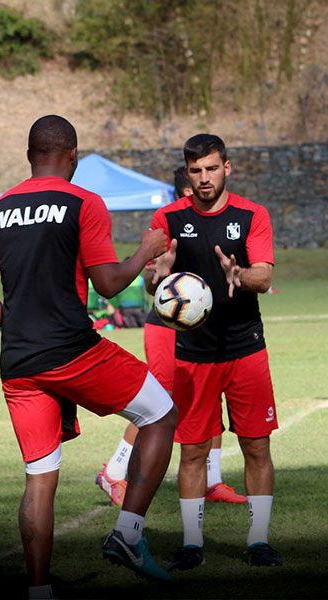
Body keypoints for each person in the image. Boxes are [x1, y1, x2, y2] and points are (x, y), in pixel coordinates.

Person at [0, 115, 178, 596]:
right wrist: (146, 249)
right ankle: (127, 536)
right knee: (162, 415)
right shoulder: (82, 201)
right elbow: (106, 284)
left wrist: (20, 327)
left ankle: (39, 592)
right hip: (74, 351)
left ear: (29, 157)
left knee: (40, 476)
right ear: (73, 157)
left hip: (19, 363)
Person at [146, 133, 281, 571]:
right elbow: (150, 279)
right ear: (187, 174)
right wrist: (157, 277)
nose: (204, 178)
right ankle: (191, 544)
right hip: (193, 353)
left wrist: (238, 273)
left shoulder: (252, 214)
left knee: (256, 447)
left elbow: (263, 276)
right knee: (192, 452)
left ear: (227, 168)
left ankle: (258, 540)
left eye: (211, 169)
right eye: (196, 171)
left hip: (245, 348)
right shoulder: (167, 217)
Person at [96, 166, 246, 509]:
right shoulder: (168, 230)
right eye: (196, 186)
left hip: (207, 329)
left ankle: (212, 481)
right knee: (158, 399)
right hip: (167, 328)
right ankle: (114, 471)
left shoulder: (218, 224)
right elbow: (152, 280)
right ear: (184, 193)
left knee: (212, 398)